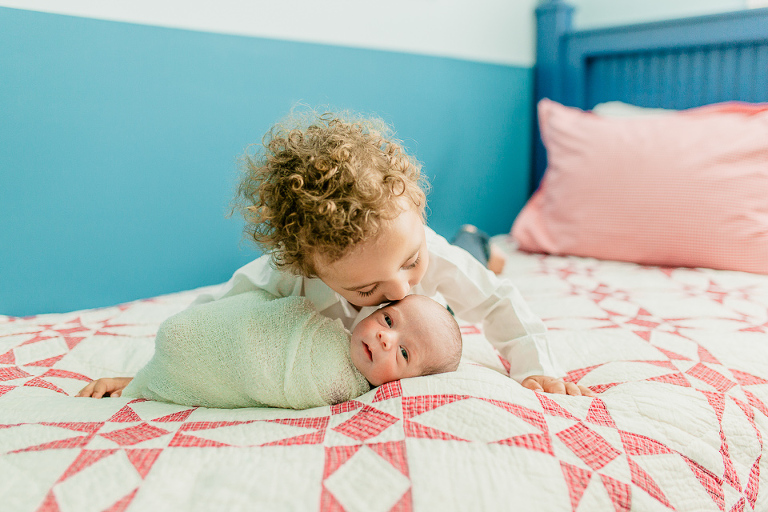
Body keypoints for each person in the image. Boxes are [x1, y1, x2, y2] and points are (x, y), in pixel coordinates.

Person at [77, 293, 463, 409]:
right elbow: (248, 316)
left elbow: (245, 380)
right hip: (206, 336)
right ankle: (138, 379)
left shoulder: (349, 393)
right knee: (187, 343)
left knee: (188, 370)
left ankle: (143, 383)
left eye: (404, 354)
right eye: (389, 320)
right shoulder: (323, 316)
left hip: (217, 372)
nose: (385, 339)